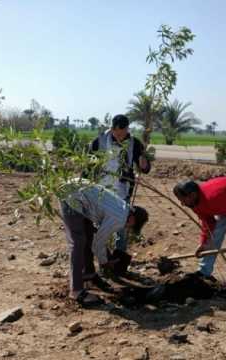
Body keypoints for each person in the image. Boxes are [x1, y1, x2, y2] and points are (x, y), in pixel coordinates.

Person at [61, 180, 149, 306]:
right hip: (71, 196)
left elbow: (97, 236)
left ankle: (89, 275)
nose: (127, 228)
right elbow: (98, 243)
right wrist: (104, 262)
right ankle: (76, 290)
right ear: (132, 219)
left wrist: (106, 254)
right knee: (78, 242)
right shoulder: (119, 218)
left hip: (79, 194)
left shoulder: (123, 207)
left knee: (88, 234)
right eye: (131, 226)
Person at [173, 176, 226, 289]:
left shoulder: (214, 197)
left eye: (182, 200)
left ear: (192, 195)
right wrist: (204, 243)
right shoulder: (194, 203)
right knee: (215, 233)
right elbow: (208, 222)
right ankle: (204, 271)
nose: (182, 204)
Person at [89, 114, 150, 255]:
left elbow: (145, 168)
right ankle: (102, 255)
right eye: (117, 134)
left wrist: (144, 165)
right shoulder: (99, 142)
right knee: (100, 224)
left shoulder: (135, 144)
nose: (120, 137)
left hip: (123, 191)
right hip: (101, 191)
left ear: (127, 129)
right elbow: (88, 166)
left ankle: (119, 255)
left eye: (123, 134)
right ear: (112, 129)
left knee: (122, 227)